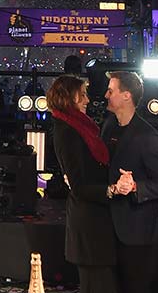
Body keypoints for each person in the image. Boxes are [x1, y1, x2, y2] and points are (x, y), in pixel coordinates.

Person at [48, 74, 117, 293]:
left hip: (96, 222)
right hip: (88, 226)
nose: (87, 100)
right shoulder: (66, 131)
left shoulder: (80, 127)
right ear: (69, 98)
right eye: (83, 96)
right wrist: (109, 190)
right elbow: (78, 185)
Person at [102, 71, 158, 293]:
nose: (105, 95)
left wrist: (134, 186)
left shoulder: (147, 136)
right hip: (108, 229)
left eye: (111, 91)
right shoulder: (108, 127)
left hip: (137, 235)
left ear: (126, 96)